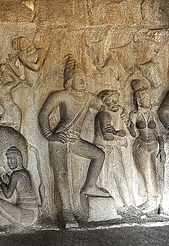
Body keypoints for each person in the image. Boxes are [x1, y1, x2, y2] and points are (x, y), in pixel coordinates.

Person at [38, 54, 109, 227]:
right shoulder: (61, 95)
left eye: (84, 79)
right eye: (79, 79)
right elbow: (43, 114)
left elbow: (104, 105)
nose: (83, 82)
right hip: (59, 139)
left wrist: (111, 118)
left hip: (75, 140)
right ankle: (67, 210)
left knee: (98, 155)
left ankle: (90, 186)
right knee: (61, 174)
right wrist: (49, 134)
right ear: (70, 82)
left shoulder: (89, 98)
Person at [94, 90, 136, 213]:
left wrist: (127, 124)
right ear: (104, 101)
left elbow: (131, 133)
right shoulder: (104, 115)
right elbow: (107, 136)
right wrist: (121, 138)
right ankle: (107, 209)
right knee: (105, 180)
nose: (115, 102)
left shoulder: (116, 115)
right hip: (105, 150)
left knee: (120, 177)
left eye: (116, 100)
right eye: (111, 100)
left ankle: (128, 204)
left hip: (113, 150)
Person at [126, 81, 166, 213]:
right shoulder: (134, 114)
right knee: (145, 173)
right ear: (138, 99)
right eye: (146, 98)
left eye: (149, 98)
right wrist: (130, 126)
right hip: (141, 145)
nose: (149, 100)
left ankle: (153, 201)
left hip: (154, 145)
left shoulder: (152, 114)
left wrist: (162, 149)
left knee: (153, 172)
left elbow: (159, 133)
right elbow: (132, 133)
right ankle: (149, 200)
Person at [0, 146, 38, 226]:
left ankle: (20, 226)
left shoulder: (15, 175)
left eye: (12, 158)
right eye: (8, 159)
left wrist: (0, 183)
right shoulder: (25, 172)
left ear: (18, 159)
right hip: (33, 212)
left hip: (25, 213)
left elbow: (8, 195)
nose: (9, 162)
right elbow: (21, 187)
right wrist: (8, 182)